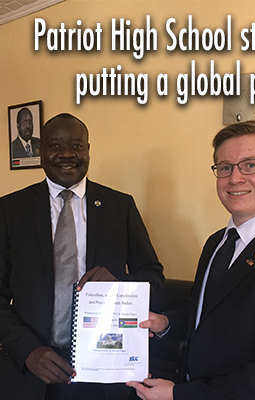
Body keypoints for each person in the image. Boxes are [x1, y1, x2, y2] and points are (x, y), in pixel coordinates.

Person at [127, 120, 255, 400]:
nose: (235, 178)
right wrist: (165, 323)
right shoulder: (216, 243)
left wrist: (179, 395)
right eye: (225, 167)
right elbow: (206, 315)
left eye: (250, 164)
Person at [0, 113, 165, 400]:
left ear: (88, 150)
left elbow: (153, 275)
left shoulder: (120, 206)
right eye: (55, 145)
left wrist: (118, 282)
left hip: (104, 371)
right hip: (30, 370)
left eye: (77, 146)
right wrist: (28, 350)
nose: (67, 154)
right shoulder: (10, 210)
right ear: (41, 153)